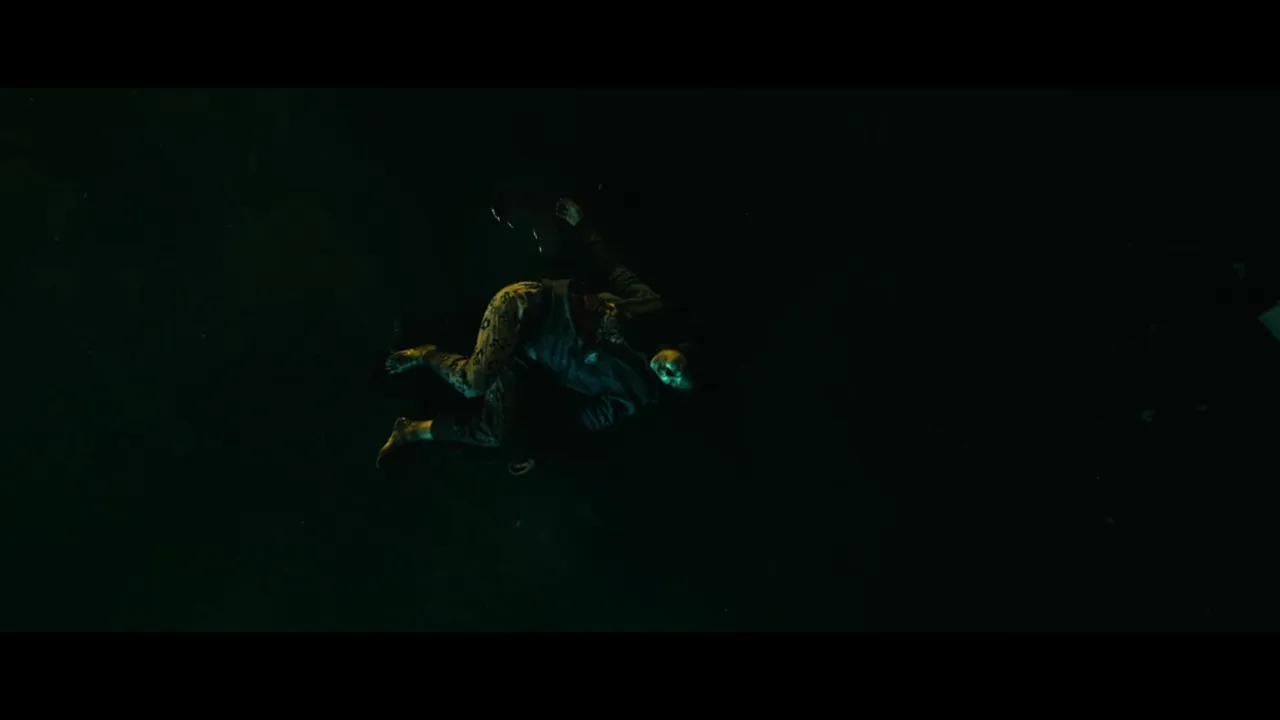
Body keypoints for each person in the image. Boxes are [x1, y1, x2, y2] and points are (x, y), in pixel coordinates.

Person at [376, 197, 700, 469]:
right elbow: (616, 271)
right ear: (682, 350)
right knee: (474, 383)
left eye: (671, 382)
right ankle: (426, 355)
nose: (667, 373)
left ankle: (410, 431)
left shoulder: (635, 393)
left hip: (526, 351)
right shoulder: (649, 308)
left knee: (494, 433)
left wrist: (541, 453)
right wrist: (584, 228)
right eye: (678, 368)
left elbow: (580, 422)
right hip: (529, 307)